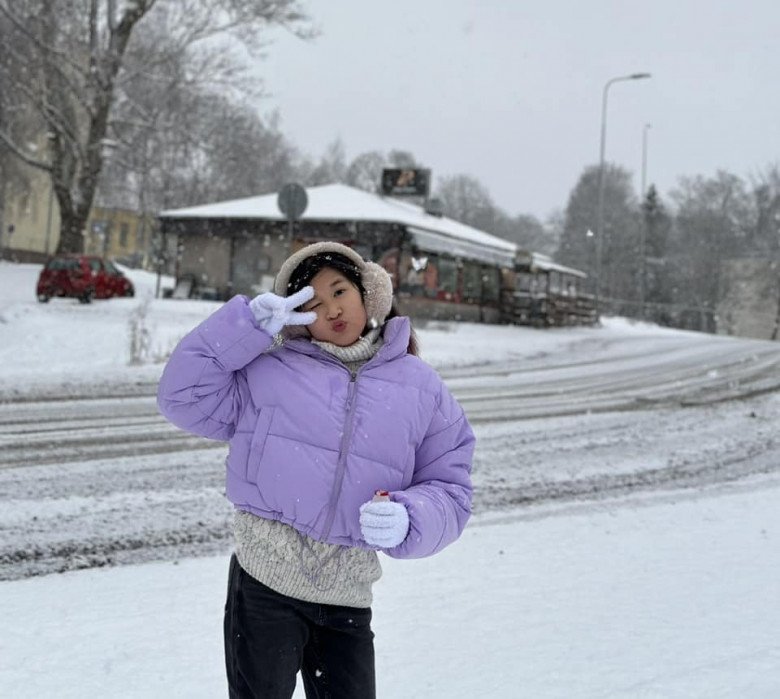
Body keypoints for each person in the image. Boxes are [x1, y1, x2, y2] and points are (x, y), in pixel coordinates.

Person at [157, 241, 475, 699]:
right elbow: (180, 397)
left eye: (339, 291)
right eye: (312, 303)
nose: (331, 309)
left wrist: (412, 516)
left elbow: (451, 486)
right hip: (265, 583)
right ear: (295, 316)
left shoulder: (420, 386)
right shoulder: (267, 371)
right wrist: (243, 328)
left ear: (369, 292)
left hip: (347, 597)